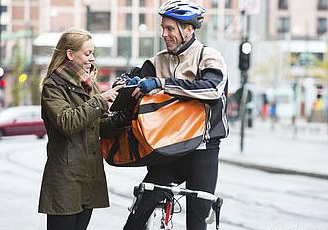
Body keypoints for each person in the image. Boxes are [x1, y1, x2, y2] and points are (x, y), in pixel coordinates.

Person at [123, 1, 229, 229]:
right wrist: (131, 83)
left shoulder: (208, 56)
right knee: (138, 213)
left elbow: (211, 88)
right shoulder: (158, 60)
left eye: (170, 29)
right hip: (170, 149)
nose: (164, 34)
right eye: (163, 28)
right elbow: (136, 80)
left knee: (196, 221)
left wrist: (162, 83)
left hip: (203, 149)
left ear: (188, 30)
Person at [38, 27, 126, 230]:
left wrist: (122, 116)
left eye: (93, 53)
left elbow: (98, 126)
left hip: (89, 176)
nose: (92, 58)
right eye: (87, 53)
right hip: (65, 179)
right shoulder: (53, 86)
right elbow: (67, 123)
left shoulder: (89, 85)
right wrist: (100, 101)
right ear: (70, 54)